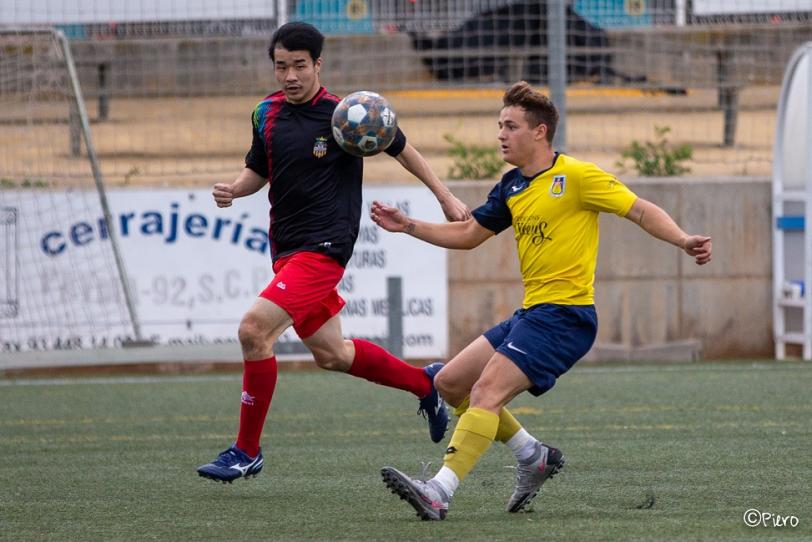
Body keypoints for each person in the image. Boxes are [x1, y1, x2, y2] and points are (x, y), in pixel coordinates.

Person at [371, 81, 712, 520]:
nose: (500, 134)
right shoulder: (512, 186)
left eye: (510, 126)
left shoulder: (577, 177)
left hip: (565, 316)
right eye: (499, 125)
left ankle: (439, 490)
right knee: (450, 383)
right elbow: (470, 233)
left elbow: (640, 209)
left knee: (486, 391)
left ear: (540, 132)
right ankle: (533, 456)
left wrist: (684, 240)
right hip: (532, 314)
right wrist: (410, 225)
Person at [196, 22, 471, 483]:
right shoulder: (265, 113)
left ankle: (246, 451)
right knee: (333, 354)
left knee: (252, 331)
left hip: (325, 248)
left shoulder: (349, 114)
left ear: (317, 64)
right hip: (285, 248)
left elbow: (403, 149)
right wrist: (233, 190)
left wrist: (444, 197)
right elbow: (257, 170)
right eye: (281, 66)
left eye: (299, 66)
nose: (290, 75)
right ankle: (426, 385)